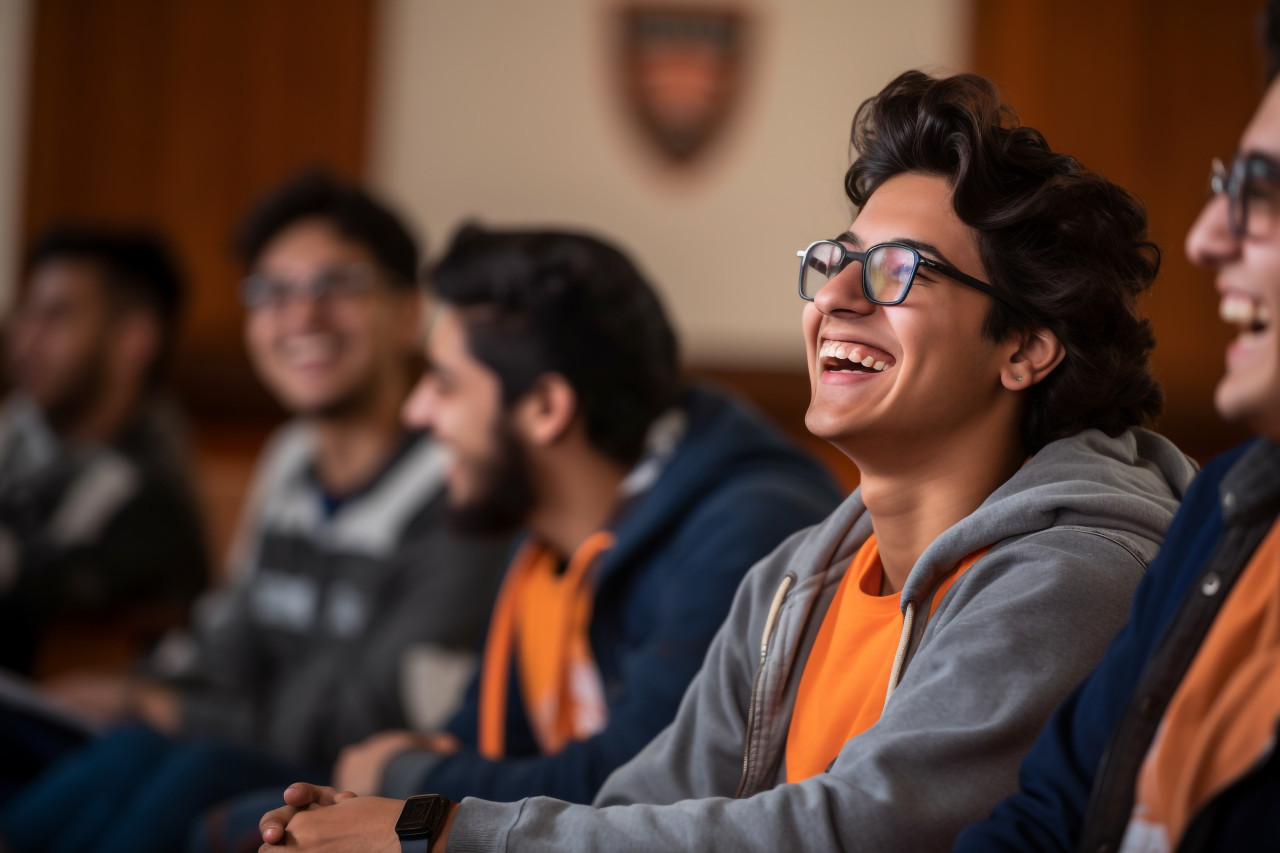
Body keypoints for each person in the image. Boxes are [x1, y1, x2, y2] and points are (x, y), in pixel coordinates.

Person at [257, 71, 1197, 853]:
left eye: (899, 271)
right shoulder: (796, 576)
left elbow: (853, 830)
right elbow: (631, 814)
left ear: (1026, 348)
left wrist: (446, 829)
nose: (836, 297)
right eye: (836, 259)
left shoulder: (1074, 575)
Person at [202, 224, 844, 849]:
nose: (416, 411)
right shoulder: (541, 533)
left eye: (445, 384)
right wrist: (379, 800)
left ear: (544, 409)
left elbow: (636, 791)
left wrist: (401, 780)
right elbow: (477, 743)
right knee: (238, 822)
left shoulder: (744, 530)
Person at [0, 172, 509, 853]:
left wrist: (169, 706)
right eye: (273, 291)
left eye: (338, 284)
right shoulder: (291, 458)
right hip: (234, 742)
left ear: (408, 310)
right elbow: (234, 634)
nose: (301, 315)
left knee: (183, 763)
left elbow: (366, 713)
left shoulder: (458, 477)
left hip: (345, 787)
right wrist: (139, 692)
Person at [954, 5, 1280, 851]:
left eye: (1265, 195)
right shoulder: (1232, 497)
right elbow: (1049, 815)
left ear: (1026, 347)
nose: (1208, 236)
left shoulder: (1075, 564)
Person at [0, 226, 207, 677]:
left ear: (134, 340)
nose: (24, 339)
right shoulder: (21, 437)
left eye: (56, 317)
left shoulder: (151, 492)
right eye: (26, 313)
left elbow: (38, 588)